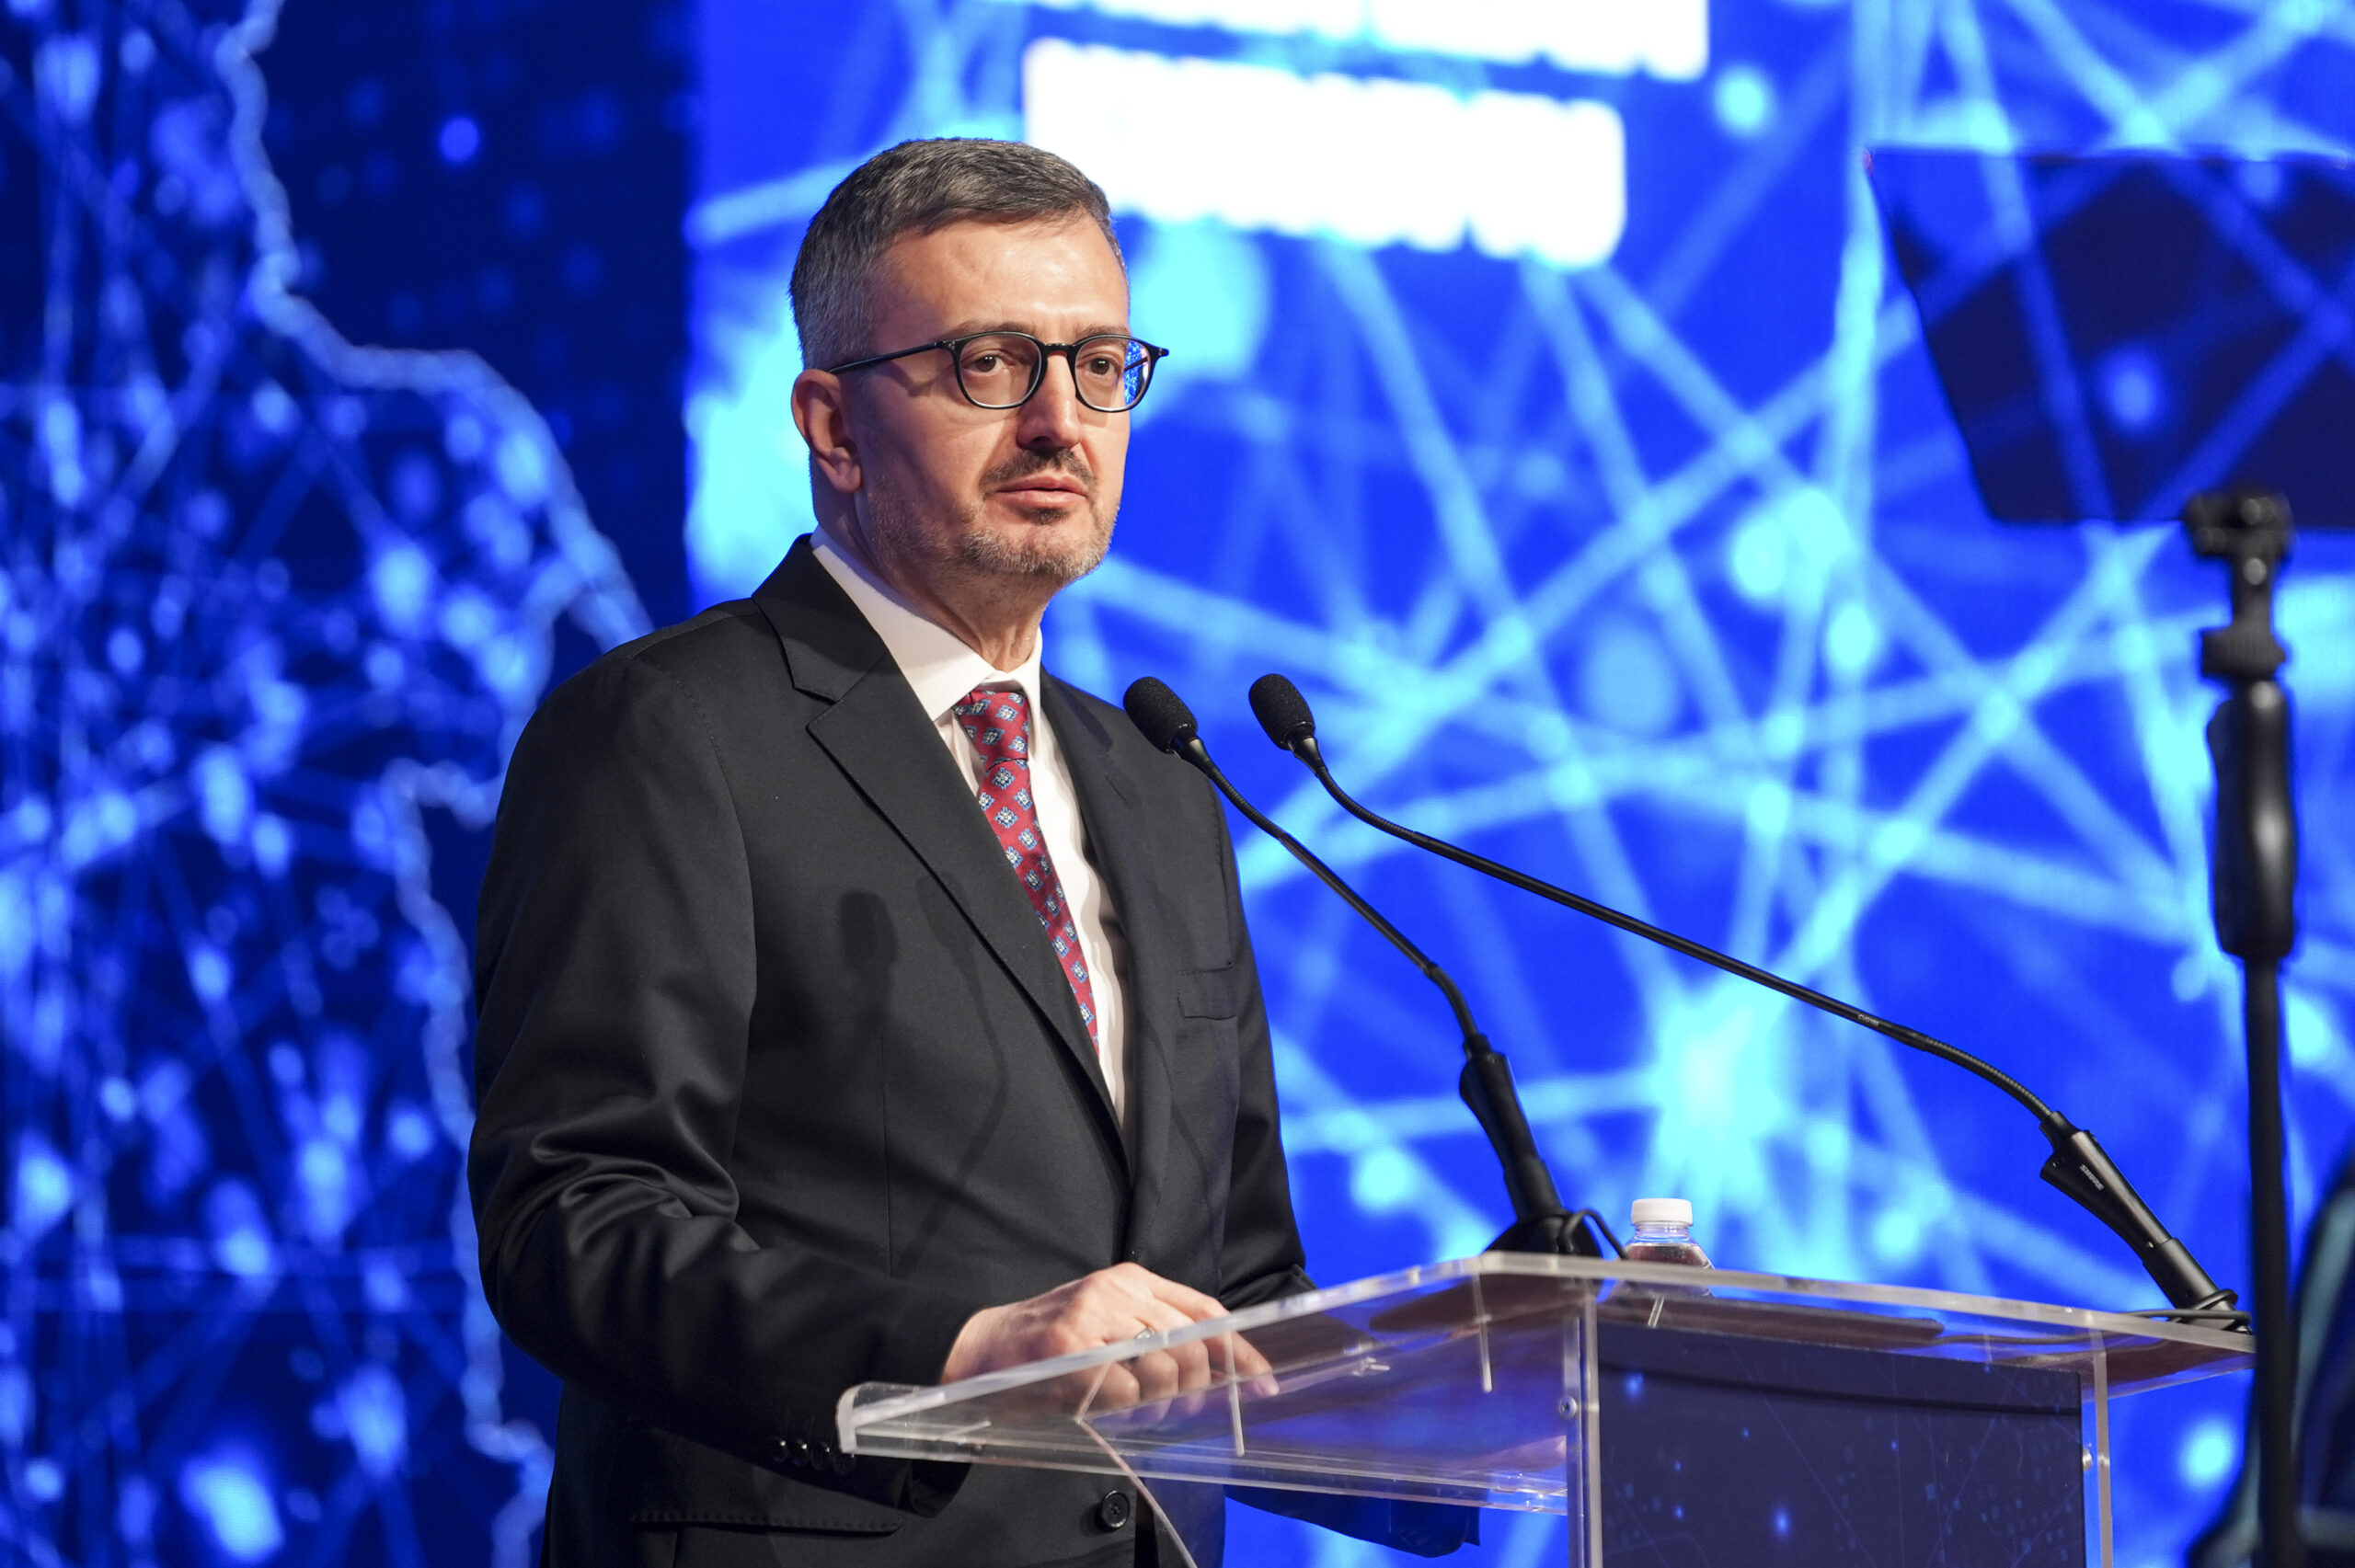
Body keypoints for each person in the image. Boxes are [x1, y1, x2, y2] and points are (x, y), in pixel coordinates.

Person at [468, 138, 1311, 1567]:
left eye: (1100, 365)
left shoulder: (1161, 784)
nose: (1061, 421)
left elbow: (1236, 1283)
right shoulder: (672, 732)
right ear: (832, 426)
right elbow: (579, 1222)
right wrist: (966, 1352)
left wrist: (1507, 1369)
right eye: (993, 364)